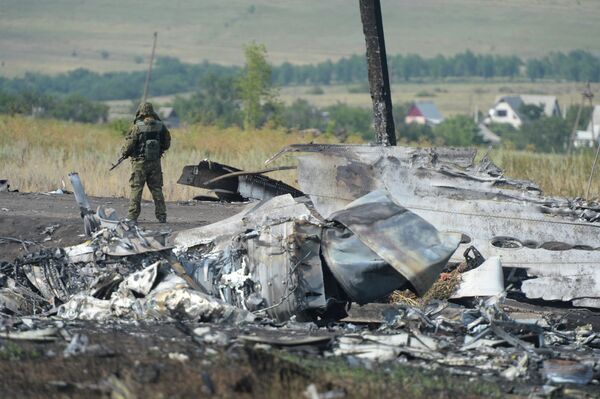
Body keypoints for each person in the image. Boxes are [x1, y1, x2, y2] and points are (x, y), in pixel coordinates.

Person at [120, 102, 171, 223]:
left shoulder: (137, 127)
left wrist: (124, 153)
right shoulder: (161, 126)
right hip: (155, 163)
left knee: (137, 189)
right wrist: (159, 150)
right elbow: (167, 143)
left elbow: (129, 145)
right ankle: (162, 215)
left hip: (139, 163)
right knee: (157, 189)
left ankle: (132, 216)